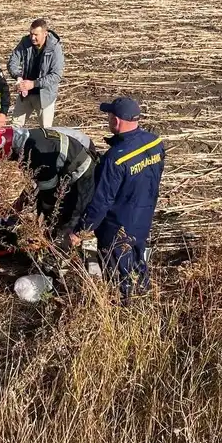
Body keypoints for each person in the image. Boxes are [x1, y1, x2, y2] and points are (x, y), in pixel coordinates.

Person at [72, 97, 165, 301]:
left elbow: (101, 202)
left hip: (117, 227)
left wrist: (81, 230)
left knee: (118, 275)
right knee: (138, 262)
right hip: (143, 218)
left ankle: (124, 310)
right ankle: (144, 297)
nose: (108, 120)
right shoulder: (156, 142)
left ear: (116, 121)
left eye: (109, 116)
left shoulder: (115, 159)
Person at [0, 125, 98, 243]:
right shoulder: (26, 140)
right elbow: (39, 181)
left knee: (69, 220)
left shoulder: (35, 152)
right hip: (66, 166)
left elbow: (49, 193)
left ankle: (62, 248)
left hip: (82, 173)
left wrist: (47, 215)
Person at [7, 18, 65, 129]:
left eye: (36, 35)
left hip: (45, 96)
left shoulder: (55, 48)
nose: (32, 38)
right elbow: (13, 61)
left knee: (46, 130)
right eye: (31, 34)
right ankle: (14, 146)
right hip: (25, 93)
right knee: (15, 127)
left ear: (45, 34)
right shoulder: (25, 42)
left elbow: (56, 76)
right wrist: (18, 77)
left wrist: (33, 84)